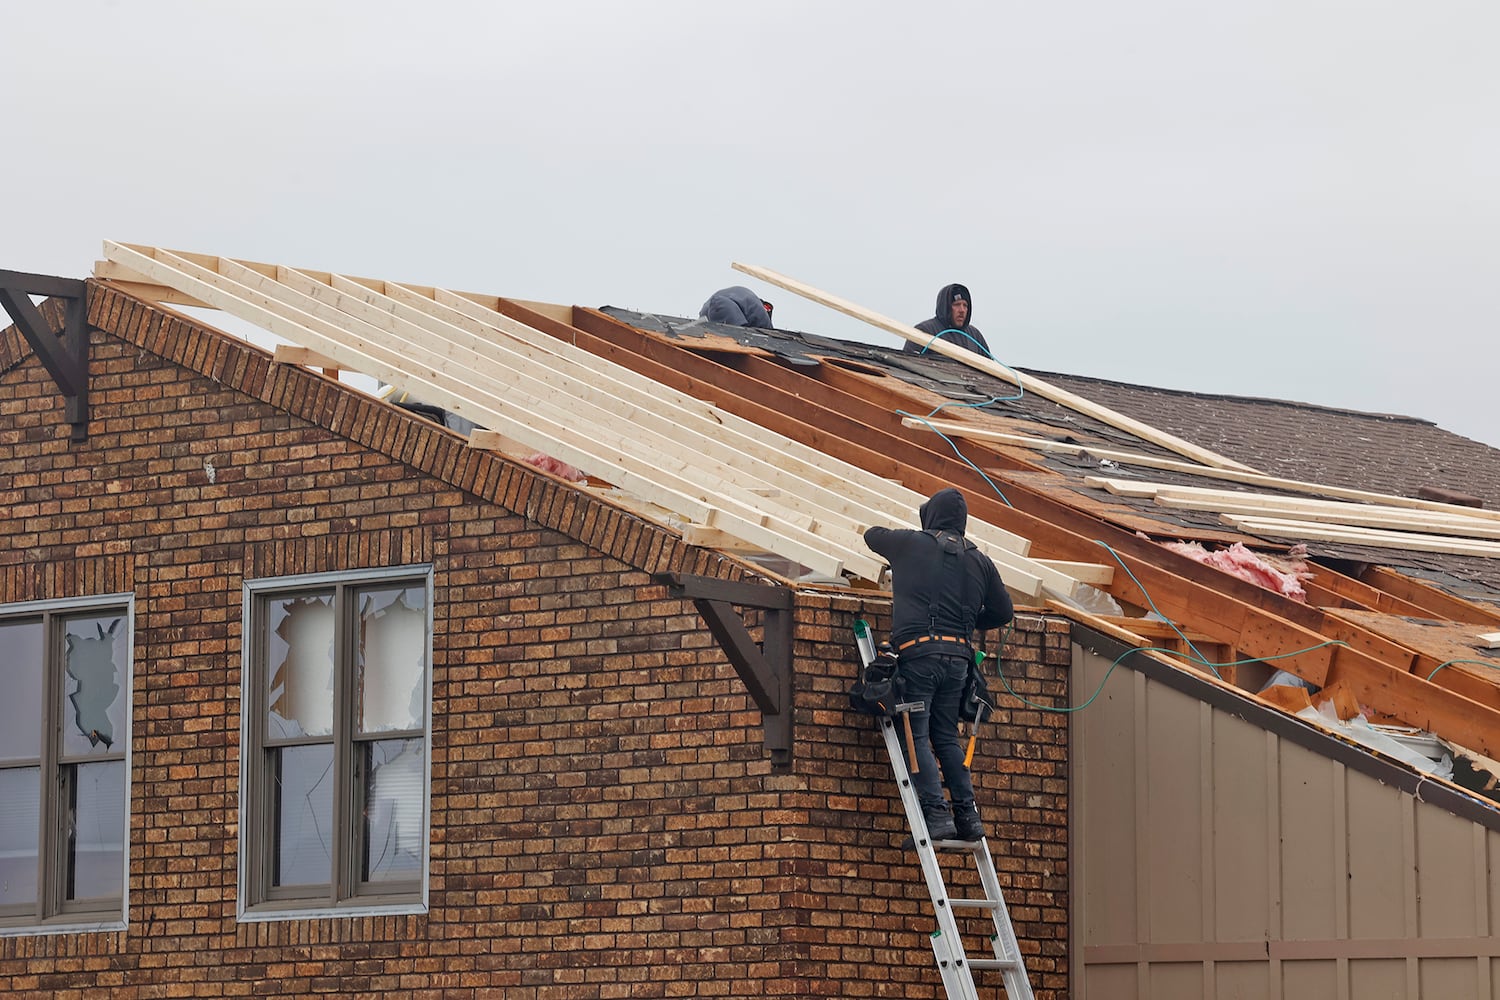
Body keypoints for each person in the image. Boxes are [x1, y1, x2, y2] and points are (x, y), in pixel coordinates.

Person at [863, 487, 1013, 841]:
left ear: (930, 516)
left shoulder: (911, 543)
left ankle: (936, 814)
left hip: (919, 657)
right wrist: (965, 623)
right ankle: (968, 817)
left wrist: (913, 541)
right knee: (945, 736)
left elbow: (872, 535)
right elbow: (1003, 611)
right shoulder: (980, 560)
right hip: (959, 662)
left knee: (915, 735)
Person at [905, 283, 990, 357]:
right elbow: (908, 363)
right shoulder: (925, 331)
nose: (962, 310)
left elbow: (990, 366)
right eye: (957, 304)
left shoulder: (975, 336)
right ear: (946, 307)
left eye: (965, 305)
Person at [700, 286, 775, 329]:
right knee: (738, 334)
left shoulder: (756, 310)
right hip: (722, 304)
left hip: (708, 314)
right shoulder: (762, 321)